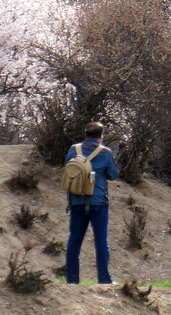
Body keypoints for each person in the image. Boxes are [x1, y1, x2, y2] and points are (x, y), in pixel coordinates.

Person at [65, 122, 120, 285]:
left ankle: (72, 281)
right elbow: (113, 175)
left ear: (85, 135)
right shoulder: (105, 152)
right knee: (101, 241)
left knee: (74, 241)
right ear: (101, 136)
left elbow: (68, 169)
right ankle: (104, 280)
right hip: (98, 203)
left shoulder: (74, 149)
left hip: (76, 201)